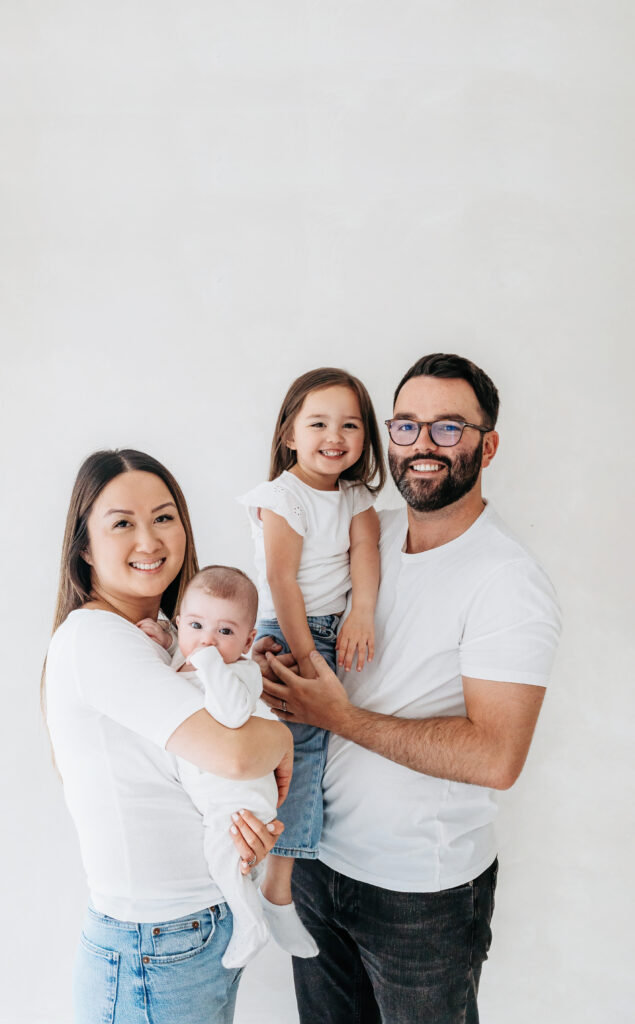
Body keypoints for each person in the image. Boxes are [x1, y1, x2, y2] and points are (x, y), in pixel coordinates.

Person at [259, 354, 562, 1024]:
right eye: (406, 425)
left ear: (488, 444)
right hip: (313, 860)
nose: (422, 444)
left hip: (417, 896)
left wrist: (337, 716)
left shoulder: (505, 580)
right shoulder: (365, 531)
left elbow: (495, 757)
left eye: (447, 428)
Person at [43, 449, 293, 1024]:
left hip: (187, 934)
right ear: (84, 546)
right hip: (152, 946)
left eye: (163, 517)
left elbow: (193, 777)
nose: (150, 540)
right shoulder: (95, 640)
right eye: (122, 523)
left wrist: (241, 834)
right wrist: (282, 745)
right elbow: (232, 752)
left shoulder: (165, 644)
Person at [238, 367, 385, 957]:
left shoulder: (356, 498)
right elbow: (281, 579)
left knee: (323, 759)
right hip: (291, 632)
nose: (335, 436)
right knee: (299, 756)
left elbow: (366, 555)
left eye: (350, 425)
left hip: (334, 632)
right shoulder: (283, 497)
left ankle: (268, 878)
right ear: (289, 434)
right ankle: (274, 891)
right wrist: (306, 659)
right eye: (318, 423)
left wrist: (362, 614)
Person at [138, 564, 313, 968]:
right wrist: (168, 642)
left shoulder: (241, 673)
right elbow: (182, 677)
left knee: (224, 858)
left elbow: (232, 714)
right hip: (219, 793)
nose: (208, 641)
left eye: (226, 632)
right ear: (180, 622)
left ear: (249, 640)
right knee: (232, 861)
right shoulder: (188, 660)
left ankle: (251, 924)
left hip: (238, 796)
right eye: (196, 625)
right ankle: (264, 907)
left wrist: (210, 662)